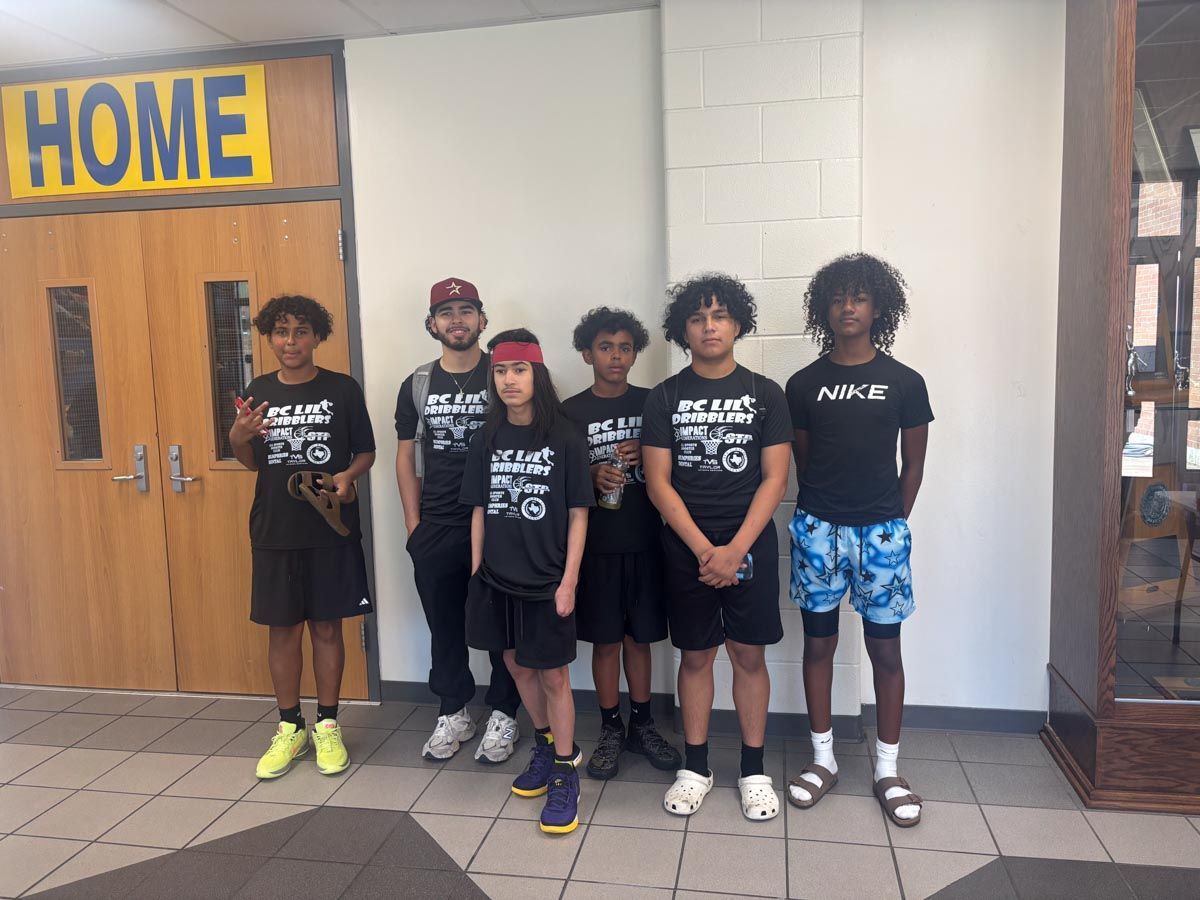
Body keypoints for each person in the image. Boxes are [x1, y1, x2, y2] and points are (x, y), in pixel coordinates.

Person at [785, 253, 932, 828]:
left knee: (886, 651)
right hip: (818, 530)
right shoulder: (803, 384)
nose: (848, 307)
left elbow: (913, 465)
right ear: (825, 308)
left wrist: (890, 522)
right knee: (818, 646)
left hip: (882, 533)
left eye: (860, 297)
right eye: (838, 297)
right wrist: (830, 513)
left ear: (878, 308)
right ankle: (823, 760)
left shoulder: (905, 382)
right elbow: (804, 461)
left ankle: (888, 769)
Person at [641, 274, 792, 821]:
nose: (710, 326)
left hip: (749, 545)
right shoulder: (665, 397)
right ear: (683, 329)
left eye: (720, 316)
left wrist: (734, 551)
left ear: (737, 324)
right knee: (696, 655)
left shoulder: (765, 393)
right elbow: (659, 484)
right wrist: (707, 551)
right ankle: (697, 766)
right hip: (688, 549)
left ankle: (753, 770)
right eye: (698, 318)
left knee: (749, 655)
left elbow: (775, 479)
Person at [230, 294, 375, 780]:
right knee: (283, 628)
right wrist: (238, 436)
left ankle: (327, 725)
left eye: (301, 331)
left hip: (330, 526)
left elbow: (366, 451)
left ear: (316, 337)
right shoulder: (258, 389)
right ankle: (290, 726)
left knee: (328, 628)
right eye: (281, 332)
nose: (290, 341)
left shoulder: (342, 388)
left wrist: (347, 477)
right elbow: (252, 461)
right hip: (275, 527)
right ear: (269, 338)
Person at [460, 329, 594, 834]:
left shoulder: (565, 437)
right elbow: (478, 510)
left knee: (554, 675)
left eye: (518, 370)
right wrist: (477, 572)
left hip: (546, 580)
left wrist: (569, 582)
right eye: (500, 371)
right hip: (497, 578)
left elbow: (579, 514)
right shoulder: (485, 438)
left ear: (536, 374)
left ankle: (565, 771)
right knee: (515, 664)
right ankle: (545, 744)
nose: (508, 380)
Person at [395, 277, 522, 762]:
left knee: (500, 625)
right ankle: (453, 711)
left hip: (500, 523)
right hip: (438, 525)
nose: (457, 320)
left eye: (466, 310)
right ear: (432, 324)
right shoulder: (418, 383)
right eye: (446, 312)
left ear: (482, 320)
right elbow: (406, 457)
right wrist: (414, 525)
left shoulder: (504, 375)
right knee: (444, 625)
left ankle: (505, 712)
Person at [561, 307, 682, 780]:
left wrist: (647, 458)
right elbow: (556, 478)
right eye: (606, 347)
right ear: (587, 353)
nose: (616, 356)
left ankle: (642, 724)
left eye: (625, 348)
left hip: (647, 541)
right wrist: (589, 474)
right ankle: (611, 726)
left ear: (635, 354)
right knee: (606, 641)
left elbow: (676, 468)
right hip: (596, 546)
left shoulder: (654, 402)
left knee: (640, 638)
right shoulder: (570, 412)